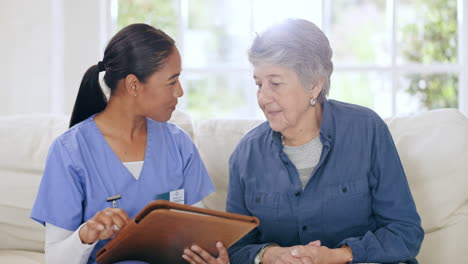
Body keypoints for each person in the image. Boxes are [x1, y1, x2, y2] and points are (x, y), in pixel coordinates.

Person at [223, 19, 424, 264]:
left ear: (314, 84)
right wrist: (269, 254)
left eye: (275, 83)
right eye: (258, 84)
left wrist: (339, 256)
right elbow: (235, 248)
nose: (263, 97)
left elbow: (405, 232)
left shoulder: (367, 131)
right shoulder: (246, 154)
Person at [30, 23, 228, 264]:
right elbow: (55, 259)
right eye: (171, 81)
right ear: (134, 85)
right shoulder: (70, 151)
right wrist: (86, 235)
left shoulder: (178, 144)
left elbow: (201, 233)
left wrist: (212, 257)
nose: (180, 92)